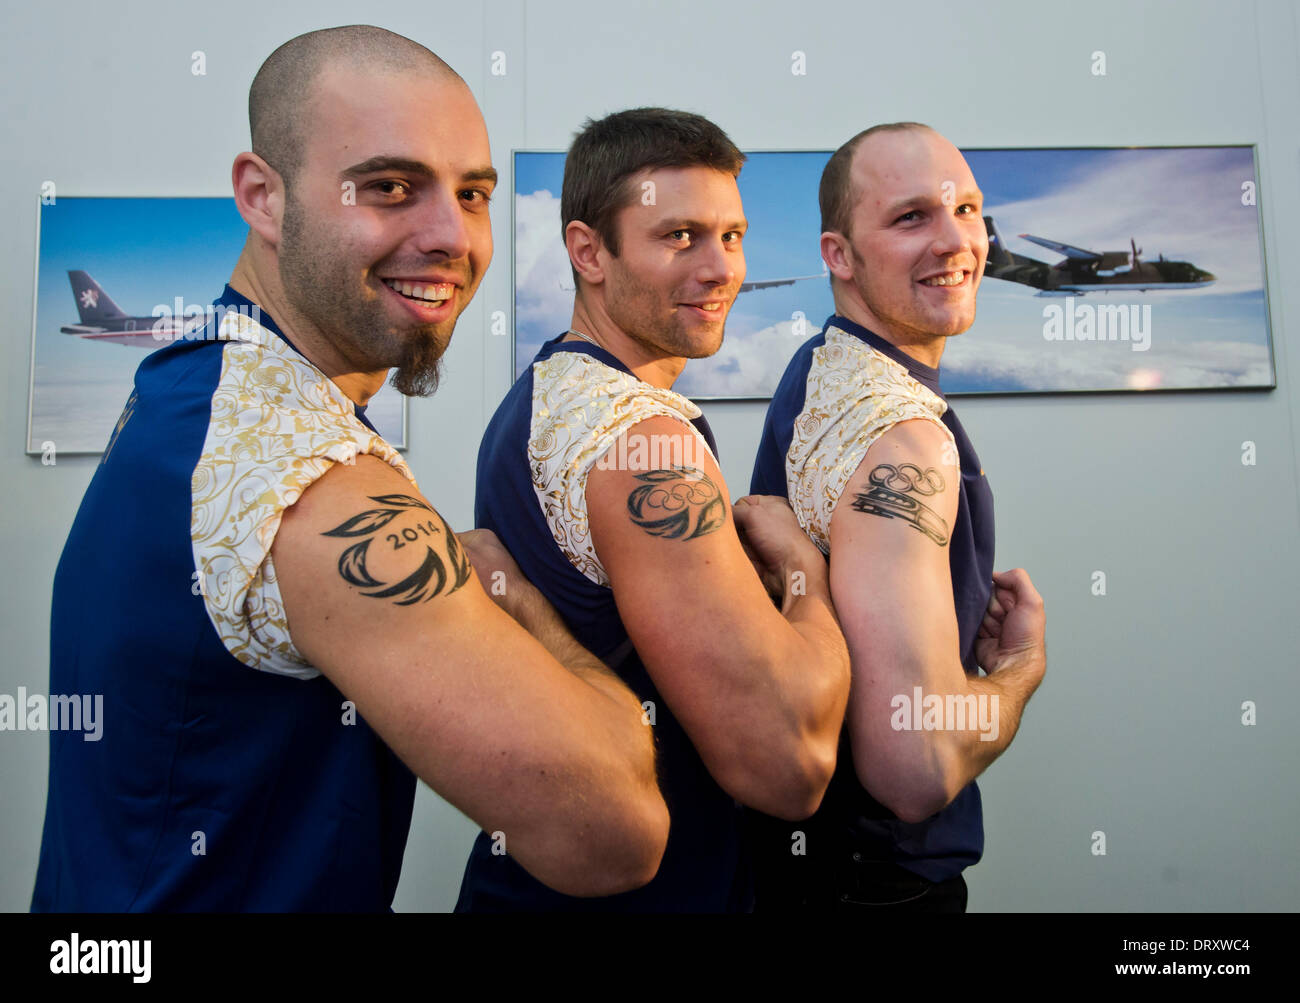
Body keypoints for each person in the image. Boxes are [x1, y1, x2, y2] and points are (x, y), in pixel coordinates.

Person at [31, 25, 668, 912]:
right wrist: (521, 603)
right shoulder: (309, 477)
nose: (452, 235)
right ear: (263, 196)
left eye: (474, 193)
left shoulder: (194, 384)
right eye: (391, 186)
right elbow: (615, 832)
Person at [456, 107, 852, 912]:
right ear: (587, 251)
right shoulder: (643, 439)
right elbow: (786, 764)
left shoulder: (541, 395)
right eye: (680, 237)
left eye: (732, 236)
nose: (721, 269)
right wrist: (806, 571)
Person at [748, 122, 1047, 912]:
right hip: (876, 887)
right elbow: (913, 764)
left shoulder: (822, 365)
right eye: (911, 217)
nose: (957, 240)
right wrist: (1020, 671)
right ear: (838, 255)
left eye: (967, 210)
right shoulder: (905, 439)